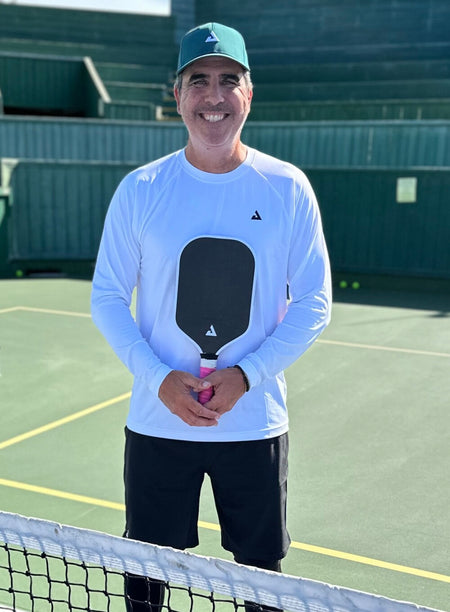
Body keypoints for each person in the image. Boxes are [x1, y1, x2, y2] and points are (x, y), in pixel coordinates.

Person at [91, 22, 332, 611]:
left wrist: (246, 376)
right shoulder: (141, 189)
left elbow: (314, 303)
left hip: (253, 427)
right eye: (198, 80)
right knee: (146, 580)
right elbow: (106, 296)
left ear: (249, 93)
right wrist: (159, 379)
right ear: (178, 95)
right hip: (157, 423)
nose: (214, 96)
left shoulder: (288, 188)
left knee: (261, 582)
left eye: (229, 80)